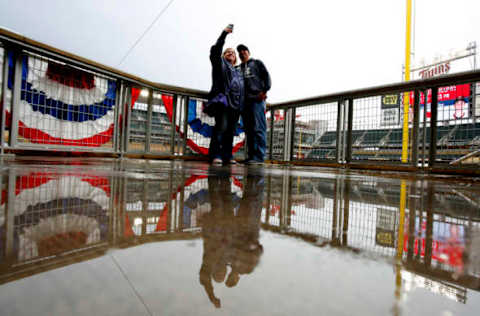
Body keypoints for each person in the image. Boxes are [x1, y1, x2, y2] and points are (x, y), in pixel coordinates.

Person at [206, 25, 245, 165]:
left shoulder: (238, 72)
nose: (230, 53)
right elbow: (215, 50)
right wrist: (224, 34)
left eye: (233, 53)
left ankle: (227, 156)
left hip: (236, 107)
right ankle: (215, 155)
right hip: (223, 103)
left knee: (230, 132)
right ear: (223, 55)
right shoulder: (219, 63)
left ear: (235, 59)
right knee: (220, 128)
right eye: (228, 52)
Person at [236, 44, 271, 164]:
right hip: (244, 103)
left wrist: (264, 91)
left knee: (258, 128)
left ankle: (259, 157)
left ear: (248, 52)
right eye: (239, 51)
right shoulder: (238, 68)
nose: (242, 52)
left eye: (244, 50)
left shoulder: (257, 63)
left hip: (257, 100)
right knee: (249, 130)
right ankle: (251, 156)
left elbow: (267, 77)